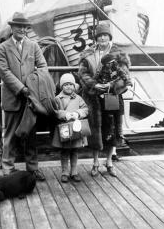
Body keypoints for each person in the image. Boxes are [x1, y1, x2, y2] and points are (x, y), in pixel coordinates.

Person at [0, 12, 47, 180]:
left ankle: (32, 168)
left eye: (25, 27)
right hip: (12, 98)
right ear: (12, 27)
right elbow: (4, 72)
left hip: (30, 99)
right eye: (18, 26)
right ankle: (8, 169)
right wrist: (21, 88)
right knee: (10, 135)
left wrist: (32, 87)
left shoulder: (34, 46)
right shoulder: (2, 48)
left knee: (31, 135)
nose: (22, 29)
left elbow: (43, 67)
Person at [78, 21, 131, 177]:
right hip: (94, 97)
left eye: (105, 36)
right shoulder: (88, 53)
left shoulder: (118, 54)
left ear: (109, 37)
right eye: (99, 36)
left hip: (112, 97)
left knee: (111, 129)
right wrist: (94, 85)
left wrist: (110, 86)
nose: (102, 39)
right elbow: (82, 73)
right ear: (96, 38)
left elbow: (124, 76)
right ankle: (95, 163)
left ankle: (109, 162)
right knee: (95, 130)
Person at [52, 73, 89, 183]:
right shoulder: (58, 98)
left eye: (71, 84)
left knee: (75, 150)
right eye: (66, 84)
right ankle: (64, 172)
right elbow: (55, 111)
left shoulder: (78, 98)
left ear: (74, 86)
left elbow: (85, 109)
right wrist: (65, 114)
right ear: (62, 86)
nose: (69, 87)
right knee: (65, 151)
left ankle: (74, 171)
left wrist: (78, 113)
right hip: (65, 129)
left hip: (76, 128)